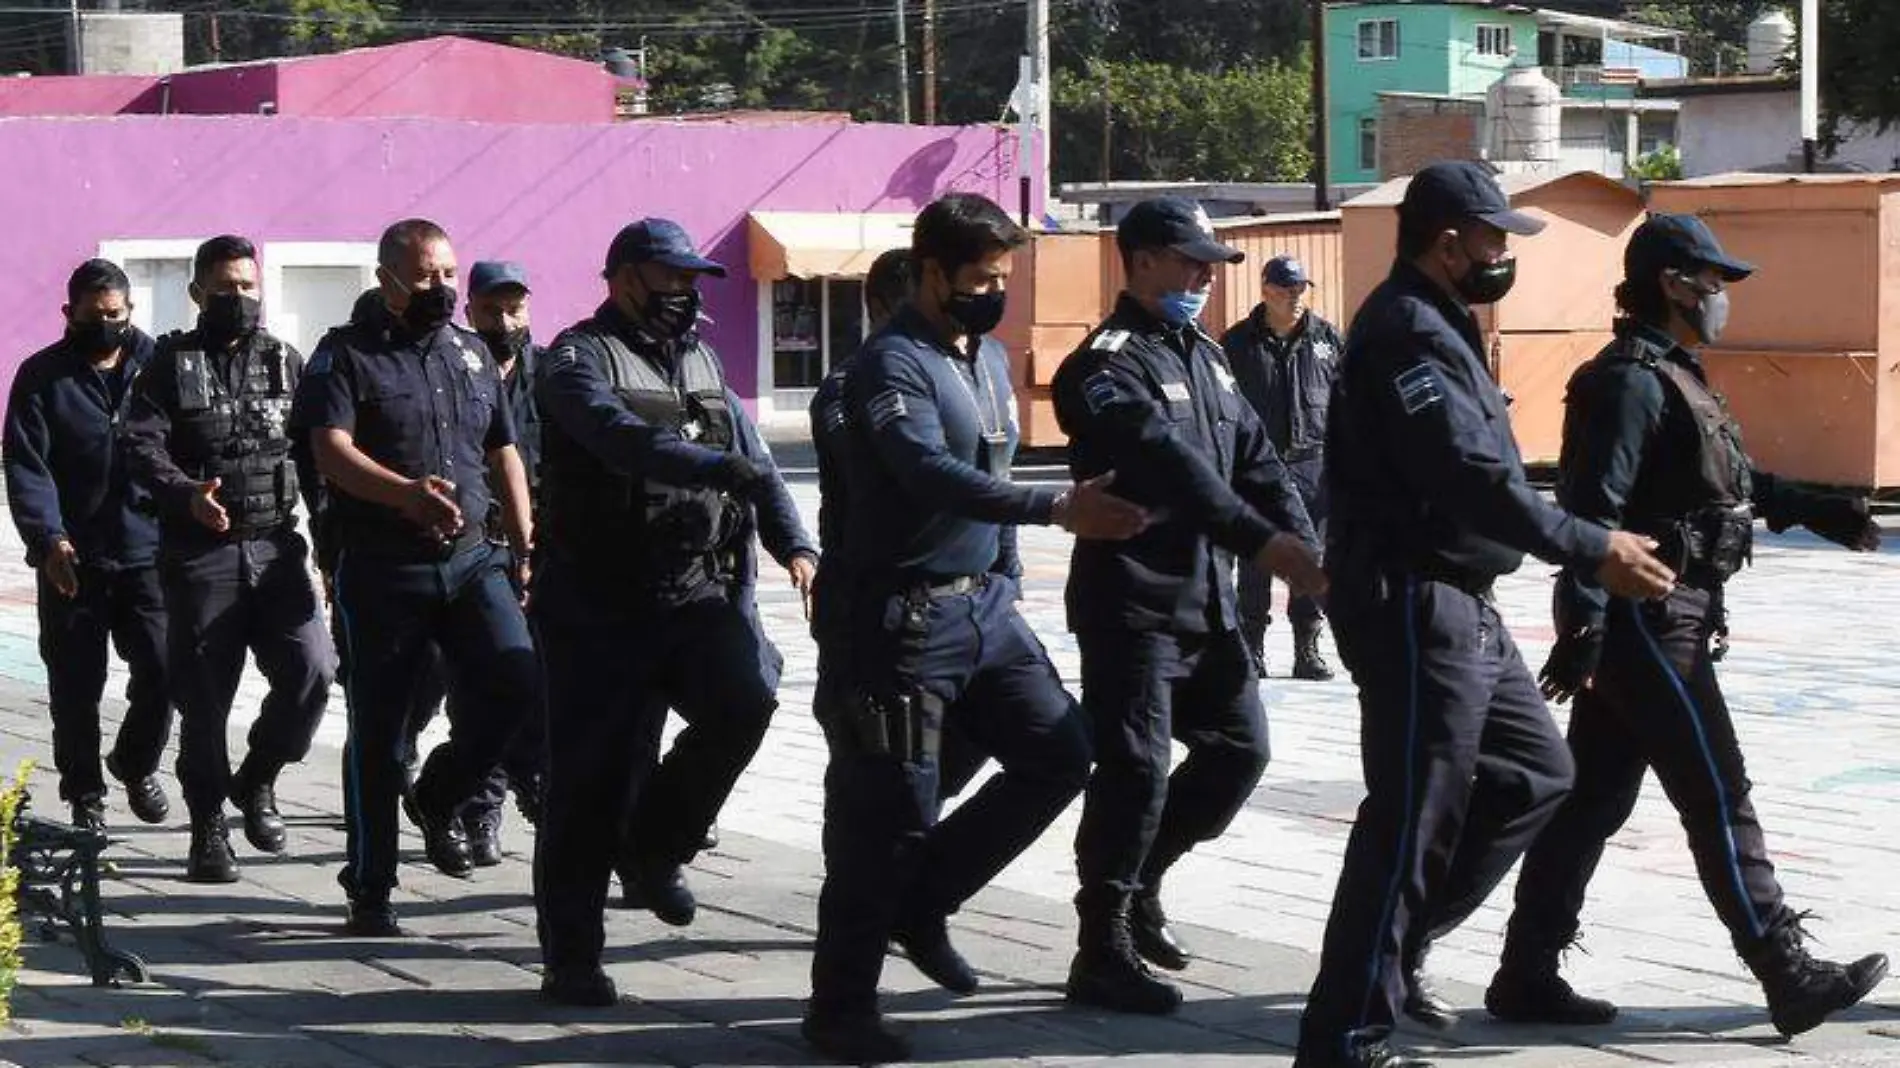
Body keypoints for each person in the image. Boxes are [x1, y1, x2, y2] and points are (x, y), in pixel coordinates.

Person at [1293, 161, 1677, 1068]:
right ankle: (1344, 1031)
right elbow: (1467, 479)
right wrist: (1590, 546)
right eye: (1496, 238)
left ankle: (1399, 949)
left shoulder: (1443, 324)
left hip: (1464, 598)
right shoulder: (1407, 334)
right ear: (1449, 239)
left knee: (1536, 775)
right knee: (1413, 813)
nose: (1506, 254)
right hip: (1414, 598)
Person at [1489, 213, 1888, 1037]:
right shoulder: (1630, 381)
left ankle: (1526, 972)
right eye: (1712, 281)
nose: (1720, 296)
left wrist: (1817, 509)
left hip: (1671, 613)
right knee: (1717, 791)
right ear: (1672, 282)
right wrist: (1586, 627)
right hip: (1646, 619)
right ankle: (1786, 969)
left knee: (1591, 800)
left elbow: (1722, 491)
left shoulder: (1677, 375)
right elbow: (1592, 510)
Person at [802, 192, 1146, 1065]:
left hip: (982, 608)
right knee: (886, 816)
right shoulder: (891, 367)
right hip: (898, 620)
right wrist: (1054, 508)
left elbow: (991, 460)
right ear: (929, 274)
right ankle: (839, 1007)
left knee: (1061, 750)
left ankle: (925, 900)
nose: (994, 293)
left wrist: (1007, 574)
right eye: (979, 278)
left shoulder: (985, 358)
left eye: (1002, 277)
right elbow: (929, 472)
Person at [530, 218, 816, 1007]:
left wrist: (796, 545)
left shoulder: (701, 359)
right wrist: (713, 465)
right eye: (671, 279)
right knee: (589, 779)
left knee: (746, 703)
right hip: (599, 604)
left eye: (693, 281)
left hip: (693, 591)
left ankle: (655, 846)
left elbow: (754, 463)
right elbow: (616, 438)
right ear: (624, 278)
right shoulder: (573, 359)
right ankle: (572, 955)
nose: (686, 295)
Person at [1052, 197, 1327, 1015]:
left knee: (1240, 753)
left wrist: (1305, 547)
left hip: (1204, 603)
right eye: (1189, 262)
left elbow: (1257, 462)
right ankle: (1099, 946)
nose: (1205, 277)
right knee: (1134, 769)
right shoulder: (1103, 366)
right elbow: (1172, 467)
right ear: (1138, 261)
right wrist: (1261, 542)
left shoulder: (1207, 357)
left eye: (1211, 265)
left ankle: (1143, 883)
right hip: (1132, 600)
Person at [303, 218, 539, 937]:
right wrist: (404, 492)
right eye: (426, 275)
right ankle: (370, 885)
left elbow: (503, 451)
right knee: (381, 734)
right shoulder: (344, 355)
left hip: (472, 560)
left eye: (447, 273)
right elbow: (331, 451)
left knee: (520, 680)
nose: (439, 287)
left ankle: (441, 795)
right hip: (384, 568)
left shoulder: (469, 352)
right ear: (387, 278)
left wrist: (527, 543)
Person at [119, 235, 335, 883]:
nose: (238, 298)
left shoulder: (287, 362)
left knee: (313, 670)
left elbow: (317, 454)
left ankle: (260, 776)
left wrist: (331, 542)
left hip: (276, 548)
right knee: (204, 700)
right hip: (199, 556)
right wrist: (186, 496)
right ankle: (209, 827)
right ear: (198, 293)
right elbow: (139, 446)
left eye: (247, 286)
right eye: (224, 288)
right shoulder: (166, 366)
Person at [4, 259, 173, 832]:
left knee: (164, 667)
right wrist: (48, 539)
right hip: (71, 560)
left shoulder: (159, 368)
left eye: (116, 315)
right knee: (75, 685)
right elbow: (28, 468)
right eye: (93, 315)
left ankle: (135, 761)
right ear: (68, 314)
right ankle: (85, 794)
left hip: (148, 551)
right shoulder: (40, 377)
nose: (106, 324)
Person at [397, 260, 546, 867]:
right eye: (491, 310)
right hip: (464, 548)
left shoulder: (557, 374)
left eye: (515, 309)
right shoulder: (453, 366)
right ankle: (475, 807)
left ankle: (522, 785)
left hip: (534, 550)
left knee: (527, 680)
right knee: (467, 687)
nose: (504, 321)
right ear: (471, 310)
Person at [1221, 253, 1344, 681]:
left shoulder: (1327, 340)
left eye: (1299, 289)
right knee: (1255, 561)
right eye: (1285, 289)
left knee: (1311, 558)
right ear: (1266, 290)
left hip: (1314, 469)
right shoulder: (1235, 345)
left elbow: (1348, 406)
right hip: (1258, 472)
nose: (1294, 297)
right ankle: (1251, 646)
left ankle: (1307, 648)